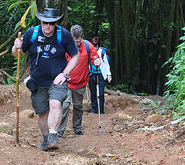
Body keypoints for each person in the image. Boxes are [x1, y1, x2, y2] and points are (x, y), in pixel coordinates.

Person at [12, 8, 79, 151]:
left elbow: (75, 56)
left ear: (56, 23)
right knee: (42, 112)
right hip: (37, 81)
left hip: (57, 80)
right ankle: (46, 138)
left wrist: (65, 74)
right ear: (41, 21)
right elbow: (17, 54)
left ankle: (53, 136)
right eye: (45, 23)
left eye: (51, 23)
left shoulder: (63, 35)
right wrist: (15, 47)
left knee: (55, 103)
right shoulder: (32, 33)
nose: (48, 26)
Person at [57, 25, 100, 137]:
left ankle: (77, 128)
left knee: (78, 106)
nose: (76, 44)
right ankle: (59, 131)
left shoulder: (88, 46)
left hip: (80, 83)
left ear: (82, 37)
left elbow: (96, 59)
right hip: (65, 81)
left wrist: (97, 62)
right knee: (65, 105)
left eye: (78, 41)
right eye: (74, 41)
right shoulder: (63, 45)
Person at [88, 36, 111, 114]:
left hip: (101, 74)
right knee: (93, 92)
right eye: (93, 46)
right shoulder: (89, 51)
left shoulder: (102, 52)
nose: (95, 48)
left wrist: (109, 75)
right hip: (91, 74)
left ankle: (101, 109)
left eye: (96, 46)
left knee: (101, 93)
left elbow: (106, 64)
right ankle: (94, 108)